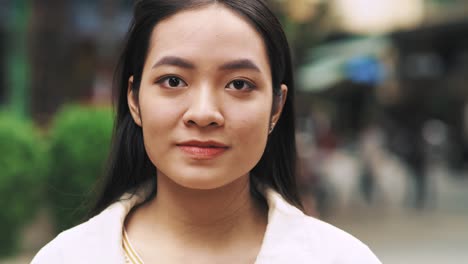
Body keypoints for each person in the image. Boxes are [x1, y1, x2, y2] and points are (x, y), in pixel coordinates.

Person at [32, 0, 381, 263]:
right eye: (173, 81)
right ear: (134, 99)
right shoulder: (66, 257)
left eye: (239, 84)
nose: (204, 114)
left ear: (276, 106)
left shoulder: (342, 258)